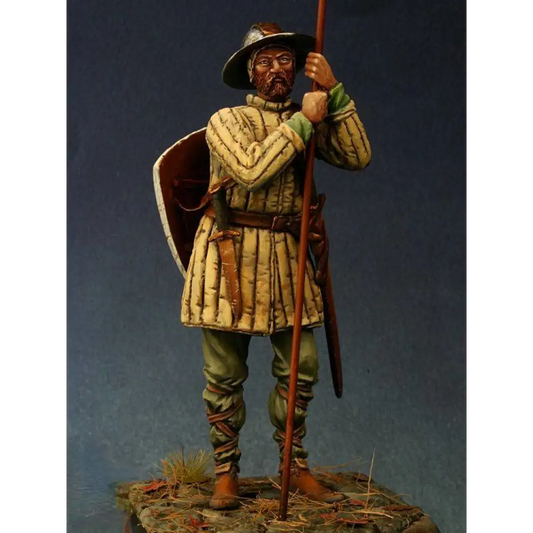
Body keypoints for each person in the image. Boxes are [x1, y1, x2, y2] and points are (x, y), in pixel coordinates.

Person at [179, 22, 371, 509]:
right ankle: (226, 472)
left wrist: (334, 91)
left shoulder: (311, 113)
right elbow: (251, 170)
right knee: (224, 372)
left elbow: (358, 155)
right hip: (229, 258)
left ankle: (294, 465)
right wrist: (304, 122)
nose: (276, 69)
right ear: (251, 73)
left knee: (301, 366)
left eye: (285, 59)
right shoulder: (226, 120)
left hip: (287, 258)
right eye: (264, 62)